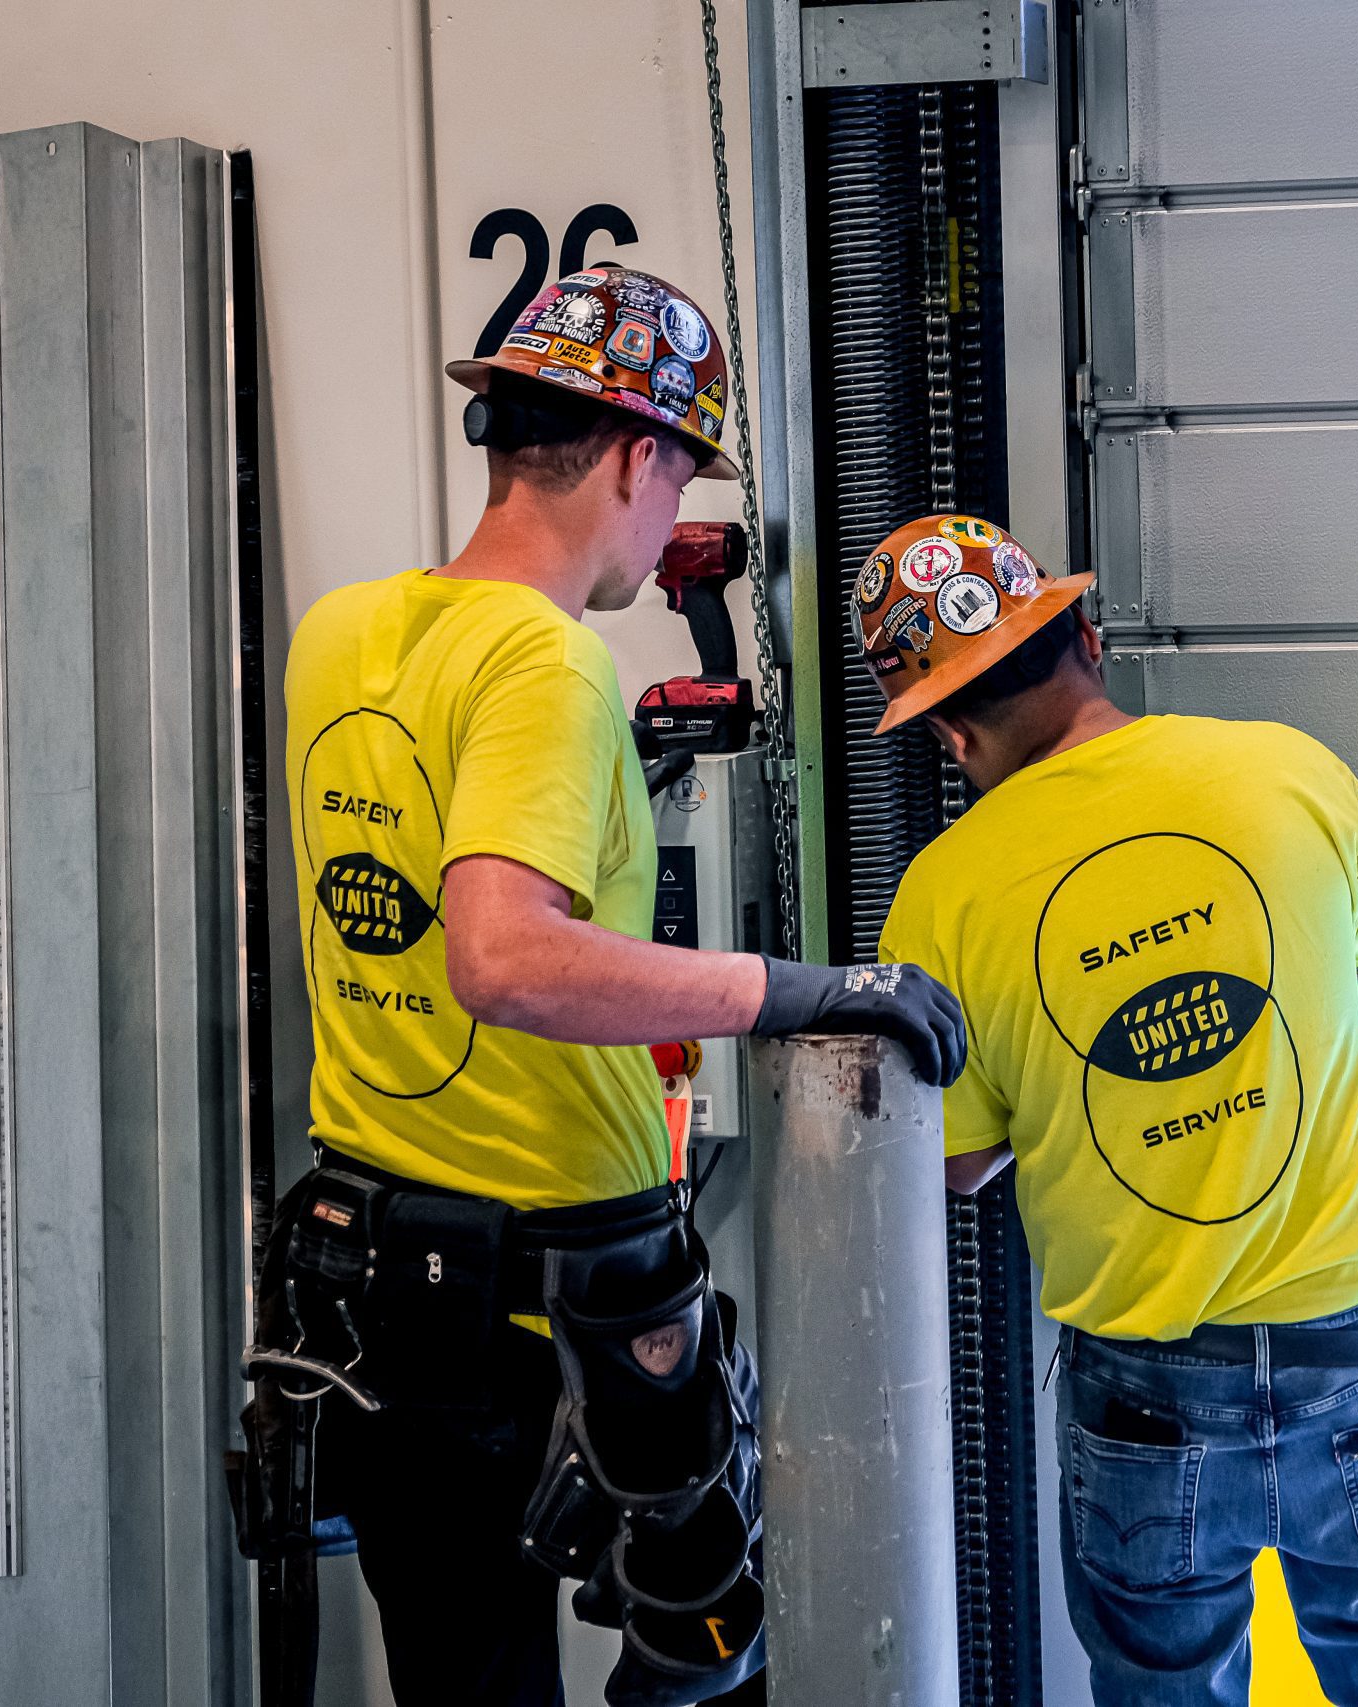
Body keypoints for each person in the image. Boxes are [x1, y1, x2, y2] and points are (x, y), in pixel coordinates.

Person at [276, 266, 966, 1707]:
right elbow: (506, 956)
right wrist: (802, 989)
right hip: (551, 1302)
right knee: (703, 1655)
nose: (668, 537)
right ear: (639, 454)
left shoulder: (340, 632)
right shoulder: (547, 661)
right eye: (679, 483)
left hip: (372, 1286)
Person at [867, 514, 1358, 1706]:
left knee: (1161, 1688)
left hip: (1145, 1393)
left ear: (945, 730)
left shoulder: (941, 893)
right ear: (1085, 635)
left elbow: (959, 1160)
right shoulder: (1281, 771)